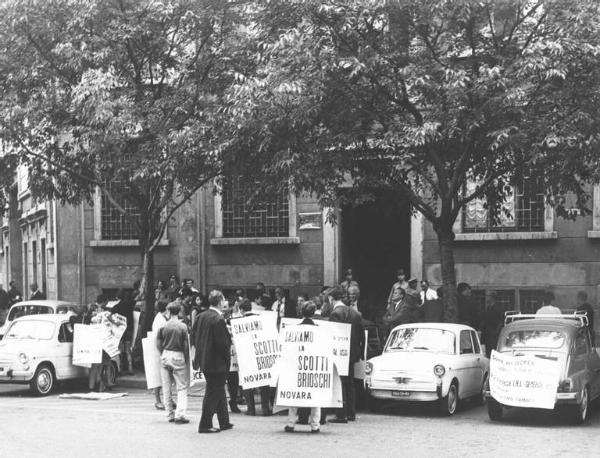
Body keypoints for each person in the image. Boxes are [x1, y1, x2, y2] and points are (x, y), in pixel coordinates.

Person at [193, 290, 233, 433]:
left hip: (205, 359)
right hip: (216, 362)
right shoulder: (218, 319)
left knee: (218, 391)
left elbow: (194, 337)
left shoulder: (200, 316)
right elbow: (223, 345)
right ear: (220, 301)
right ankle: (205, 424)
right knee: (212, 393)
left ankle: (224, 421)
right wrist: (227, 360)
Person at [327, 287, 365, 424]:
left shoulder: (335, 314)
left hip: (340, 354)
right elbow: (362, 336)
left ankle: (341, 414)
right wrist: (360, 353)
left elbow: (333, 336)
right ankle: (351, 413)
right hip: (353, 353)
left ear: (331, 298)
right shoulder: (356, 313)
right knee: (350, 383)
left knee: (340, 383)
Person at [284, 300, 322, 433]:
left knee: (294, 394)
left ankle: (291, 423)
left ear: (301, 312)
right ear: (314, 313)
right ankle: (315, 425)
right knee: (315, 395)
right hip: (314, 366)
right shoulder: (319, 330)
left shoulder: (294, 329)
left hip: (297, 366)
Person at [235, 299, 272, 416]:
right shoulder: (261, 319)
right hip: (260, 353)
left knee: (247, 381)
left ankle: (251, 409)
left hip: (245, 356)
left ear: (241, 310)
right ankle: (265, 408)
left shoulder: (238, 321)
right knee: (263, 381)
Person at [157, 302, 190, 424]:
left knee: (166, 387)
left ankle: (169, 414)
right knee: (181, 387)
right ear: (179, 311)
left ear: (169, 312)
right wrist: (186, 359)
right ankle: (180, 415)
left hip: (165, 354)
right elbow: (186, 346)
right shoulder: (182, 327)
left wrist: (163, 353)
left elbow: (158, 344)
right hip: (178, 354)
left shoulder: (163, 326)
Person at [111, 289, 135, 375]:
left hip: (120, 330)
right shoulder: (130, 305)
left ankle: (120, 369)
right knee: (128, 349)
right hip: (128, 329)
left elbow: (111, 315)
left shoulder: (116, 307)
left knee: (120, 349)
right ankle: (130, 369)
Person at [152, 299, 169, 410]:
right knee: (158, 377)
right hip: (160, 351)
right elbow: (159, 339)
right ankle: (158, 400)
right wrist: (163, 352)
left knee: (166, 377)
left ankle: (168, 399)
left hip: (161, 350)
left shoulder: (161, 318)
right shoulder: (161, 321)